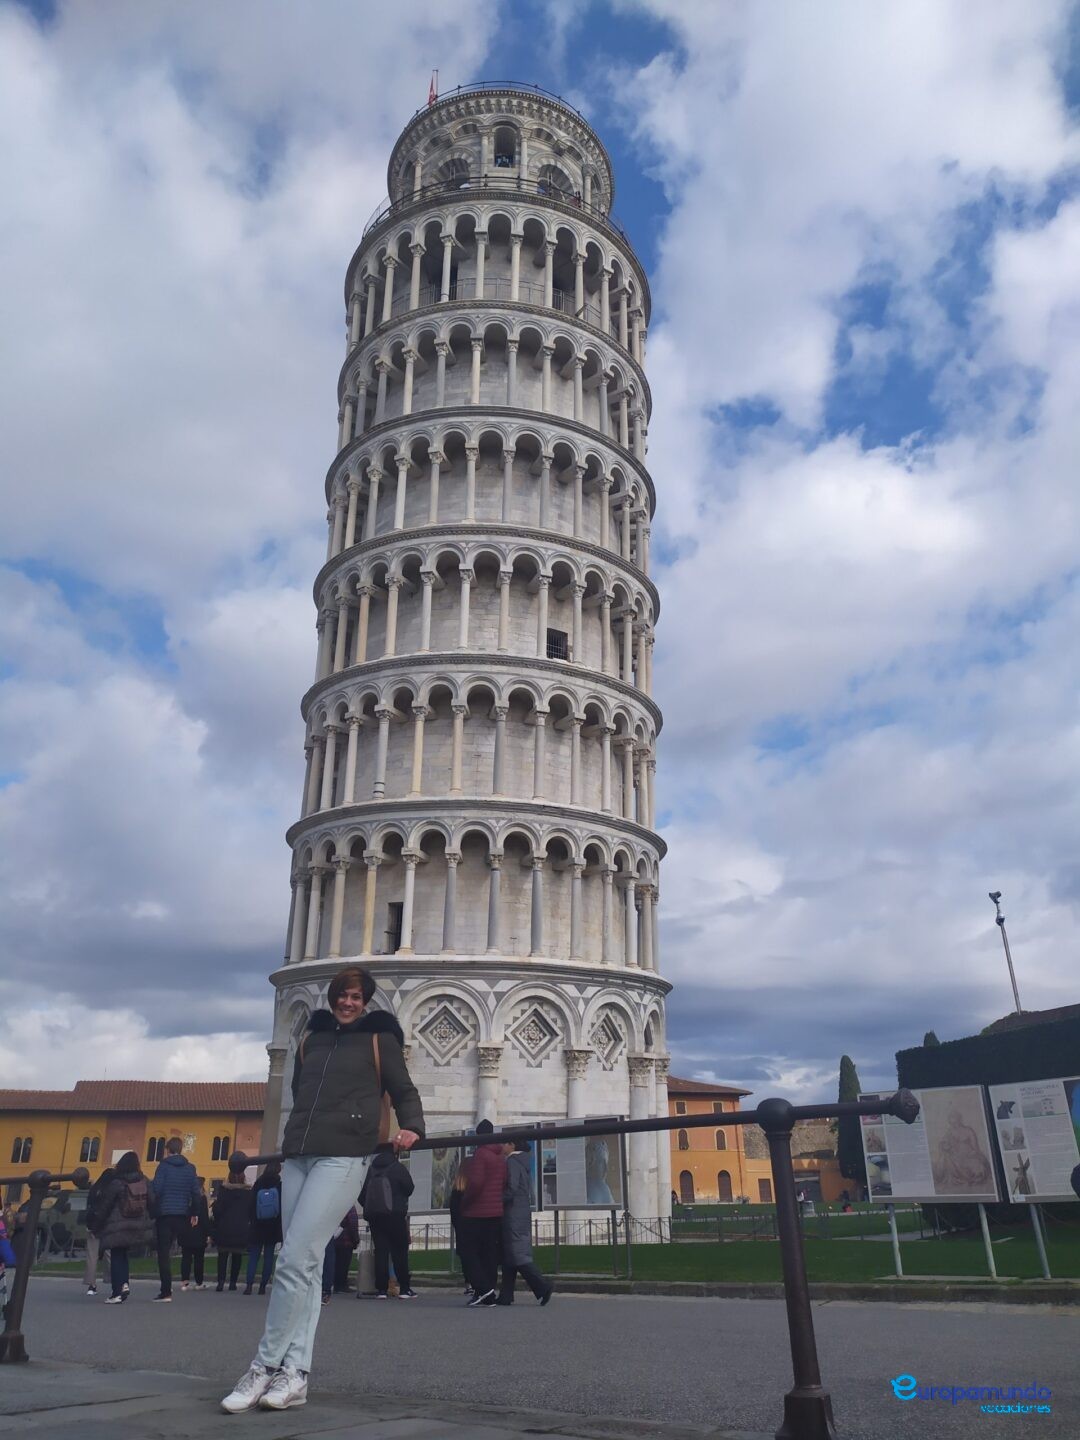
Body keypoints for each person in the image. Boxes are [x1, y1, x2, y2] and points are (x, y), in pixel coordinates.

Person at [220, 965, 424, 1414]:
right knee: (306, 1266)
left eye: (356, 996)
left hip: (346, 1156)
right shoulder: (312, 1038)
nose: (348, 1002)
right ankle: (296, 1376)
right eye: (342, 995)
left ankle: (264, 1365)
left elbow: (403, 1088)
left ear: (366, 1001)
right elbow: (300, 1090)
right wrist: (293, 1136)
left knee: (293, 1258)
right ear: (332, 998)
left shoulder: (379, 1039)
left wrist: (411, 1126)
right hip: (301, 1154)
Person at [497, 1139, 552, 1306]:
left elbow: (511, 1187)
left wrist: (496, 1199)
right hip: (521, 1210)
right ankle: (506, 1295)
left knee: (516, 1253)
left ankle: (542, 1286)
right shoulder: (523, 1162)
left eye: (505, 1143)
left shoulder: (512, 1161)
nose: (502, 1146)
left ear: (512, 1145)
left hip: (512, 1211)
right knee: (509, 1254)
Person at [360, 1142, 416, 1299]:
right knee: (400, 1251)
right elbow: (410, 1188)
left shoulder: (371, 1170)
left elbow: (362, 1195)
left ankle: (382, 1290)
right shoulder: (397, 1168)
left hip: (375, 1217)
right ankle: (404, 1288)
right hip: (396, 1215)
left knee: (381, 1252)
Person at [95, 1151, 152, 1303]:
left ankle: (116, 1292)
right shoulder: (144, 1181)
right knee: (123, 1255)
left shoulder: (117, 1182)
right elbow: (152, 1201)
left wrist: (97, 1224)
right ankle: (124, 1284)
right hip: (137, 1223)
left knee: (116, 1255)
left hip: (117, 1224)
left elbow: (105, 1205)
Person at [460, 1119, 505, 1307]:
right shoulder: (499, 1156)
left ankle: (483, 1289)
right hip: (495, 1211)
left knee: (467, 1252)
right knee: (489, 1254)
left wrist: (466, 1201)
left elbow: (476, 1183)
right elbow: (503, 1182)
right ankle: (487, 1291)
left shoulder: (481, 1154)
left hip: (477, 1211)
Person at [150, 1136, 200, 1302]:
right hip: (183, 1214)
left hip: (165, 1214)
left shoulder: (163, 1167)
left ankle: (166, 1291)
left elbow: (156, 1188)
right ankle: (183, 1279)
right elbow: (195, 1192)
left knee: (163, 1252)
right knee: (183, 1249)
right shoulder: (190, 1168)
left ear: (168, 1150)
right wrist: (195, 1212)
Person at [212, 1166, 252, 1290]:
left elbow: (217, 1210)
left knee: (222, 1256)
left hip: (224, 1227)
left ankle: (221, 1282)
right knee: (237, 1256)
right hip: (240, 1227)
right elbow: (250, 1211)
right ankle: (233, 1282)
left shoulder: (224, 1191)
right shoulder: (248, 1192)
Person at [246, 1161, 282, 1295]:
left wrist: (252, 1220)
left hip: (257, 1225)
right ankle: (262, 1286)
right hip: (272, 1225)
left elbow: (251, 1204)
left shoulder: (258, 1183)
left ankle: (249, 1285)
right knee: (268, 1257)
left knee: (254, 1256)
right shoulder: (279, 1185)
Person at [83, 1166, 115, 1295]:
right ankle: (112, 1279)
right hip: (107, 1224)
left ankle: (91, 1285)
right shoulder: (111, 1191)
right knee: (110, 1254)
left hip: (92, 1224)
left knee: (92, 1255)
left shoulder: (94, 1189)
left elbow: (88, 1206)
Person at [321, 1205, 359, 1302]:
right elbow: (353, 1223)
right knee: (344, 1264)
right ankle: (341, 1285)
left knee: (334, 1262)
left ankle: (335, 1284)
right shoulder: (350, 1207)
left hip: (335, 1239)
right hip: (346, 1240)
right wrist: (356, 1239)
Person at [181, 1175, 210, 1290]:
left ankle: (184, 1282)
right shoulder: (202, 1199)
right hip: (199, 1233)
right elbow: (204, 1218)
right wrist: (208, 1233)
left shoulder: (185, 1199)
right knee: (199, 1259)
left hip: (186, 1232)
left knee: (186, 1258)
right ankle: (199, 1282)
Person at [448, 1165, 473, 1295]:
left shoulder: (456, 1191)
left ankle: (469, 1284)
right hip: (473, 1225)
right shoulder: (473, 1189)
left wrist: (458, 1224)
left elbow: (453, 1212)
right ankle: (477, 1282)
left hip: (461, 1227)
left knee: (465, 1256)